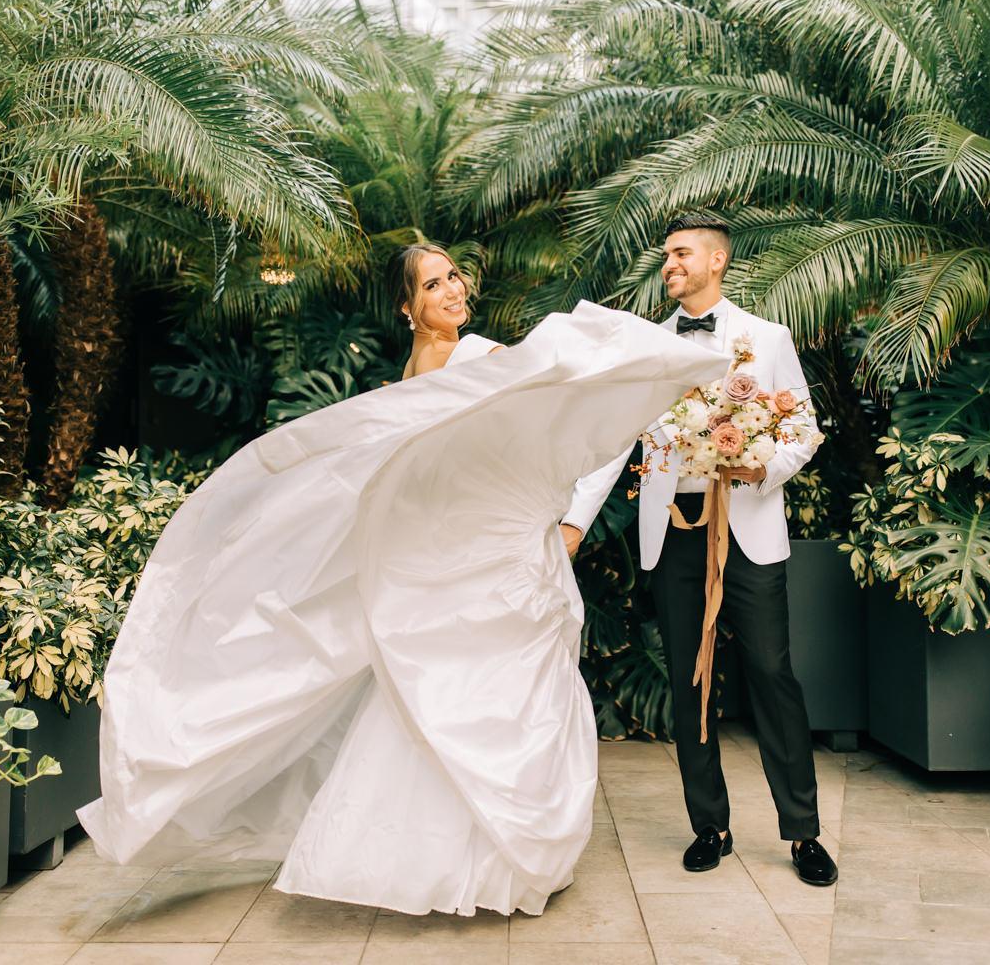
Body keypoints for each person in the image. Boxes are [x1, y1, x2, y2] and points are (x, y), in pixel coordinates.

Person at [77, 243, 728, 916]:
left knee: (480, 698)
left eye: (454, 276)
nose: (453, 290)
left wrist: (558, 513)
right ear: (407, 307)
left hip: (487, 559)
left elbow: (535, 434)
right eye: (433, 284)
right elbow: (492, 438)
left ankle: (478, 863)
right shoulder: (441, 372)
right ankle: (463, 865)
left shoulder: (448, 367)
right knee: (462, 697)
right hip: (465, 564)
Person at [561, 214, 839, 886]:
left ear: (717, 260)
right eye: (666, 256)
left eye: (681, 253)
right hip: (673, 532)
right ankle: (709, 825)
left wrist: (763, 466)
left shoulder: (767, 338)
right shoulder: (649, 346)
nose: (670, 265)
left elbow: (802, 426)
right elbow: (613, 441)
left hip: (748, 528)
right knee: (690, 680)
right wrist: (573, 522)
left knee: (772, 673)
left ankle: (803, 832)